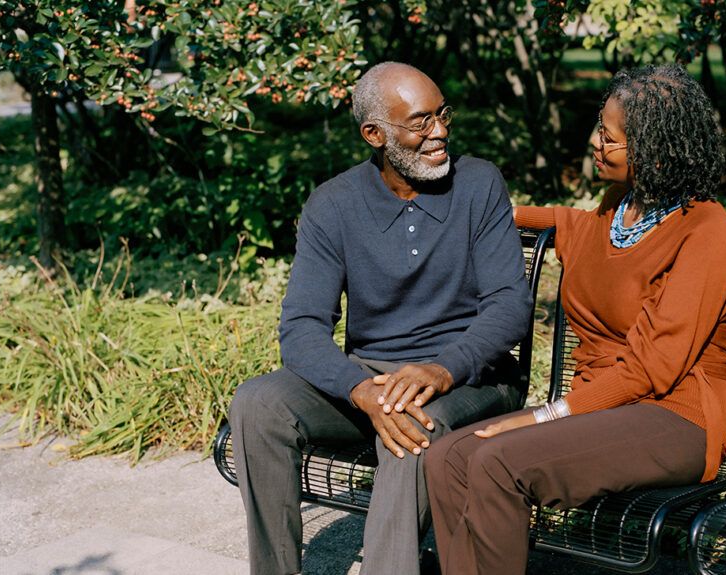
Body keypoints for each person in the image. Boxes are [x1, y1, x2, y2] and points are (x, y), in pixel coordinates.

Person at [424, 63, 726, 575]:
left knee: (498, 460)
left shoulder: (706, 229)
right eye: (599, 127)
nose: (595, 142)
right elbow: (573, 226)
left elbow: (652, 370)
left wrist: (544, 414)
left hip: (677, 419)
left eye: (609, 137)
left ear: (654, 151)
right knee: (448, 457)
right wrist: (485, 211)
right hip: (603, 406)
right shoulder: (619, 204)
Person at [227, 62, 532, 575]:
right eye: (420, 122)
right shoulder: (333, 204)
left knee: (408, 425)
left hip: (472, 377)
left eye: (442, 115)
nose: (439, 133)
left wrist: (441, 369)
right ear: (374, 134)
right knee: (258, 403)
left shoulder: (479, 183)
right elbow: (301, 327)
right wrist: (361, 391)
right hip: (375, 376)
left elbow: (510, 306)